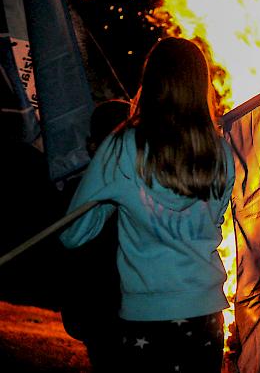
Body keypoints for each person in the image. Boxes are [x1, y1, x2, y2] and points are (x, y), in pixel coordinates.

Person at [59, 37, 235, 372]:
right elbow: (214, 219)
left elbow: (72, 233)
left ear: (150, 81)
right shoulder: (222, 153)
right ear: (201, 86)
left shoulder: (123, 147)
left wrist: (109, 205)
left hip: (146, 321)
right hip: (206, 320)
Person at [60, 98, 131, 373]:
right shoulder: (78, 193)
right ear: (93, 146)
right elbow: (71, 252)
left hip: (137, 310)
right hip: (100, 313)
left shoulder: (144, 189)